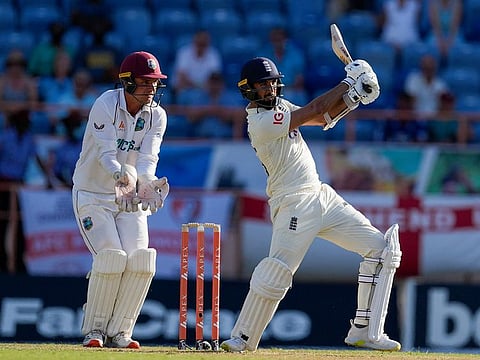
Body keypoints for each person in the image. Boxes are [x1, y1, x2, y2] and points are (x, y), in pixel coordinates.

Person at [220, 56, 402, 352]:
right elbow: (315, 108)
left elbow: (322, 118)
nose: (270, 88)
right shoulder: (261, 122)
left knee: (383, 250)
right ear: (248, 89)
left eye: (272, 82)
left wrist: (353, 97)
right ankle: (242, 338)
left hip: (321, 195)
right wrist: (347, 81)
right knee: (277, 272)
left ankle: (365, 332)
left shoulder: (280, 106)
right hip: (292, 203)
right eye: (262, 84)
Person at [72, 51, 170, 349]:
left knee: (141, 261)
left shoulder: (157, 115)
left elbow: (147, 158)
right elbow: (106, 155)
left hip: (128, 197)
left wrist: (146, 183)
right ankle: (95, 331)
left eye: (155, 83)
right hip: (92, 194)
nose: (152, 89)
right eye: (145, 82)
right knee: (112, 257)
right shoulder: (105, 104)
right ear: (127, 82)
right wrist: (122, 178)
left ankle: (121, 332)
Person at [172, 29, 222, 95]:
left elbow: (214, 77)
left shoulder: (213, 54)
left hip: (206, 90)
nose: (202, 44)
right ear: (194, 40)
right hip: (186, 88)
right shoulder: (184, 52)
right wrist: (198, 86)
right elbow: (182, 76)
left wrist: (201, 87)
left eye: (204, 43)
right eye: (200, 42)